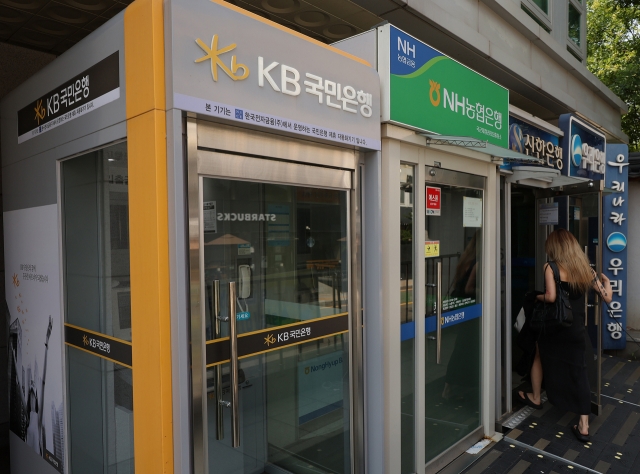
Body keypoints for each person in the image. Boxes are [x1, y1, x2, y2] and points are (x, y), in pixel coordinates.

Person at [517, 229, 611, 443]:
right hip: (576, 329)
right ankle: (584, 425)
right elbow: (606, 297)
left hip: (555, 328)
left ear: (555, 248)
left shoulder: (550, 267)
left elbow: (550, 297)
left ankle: (535, 397)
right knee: (579, 370)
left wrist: (534, 296)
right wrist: (608, 283)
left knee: (539, 353)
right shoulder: (585, 269)